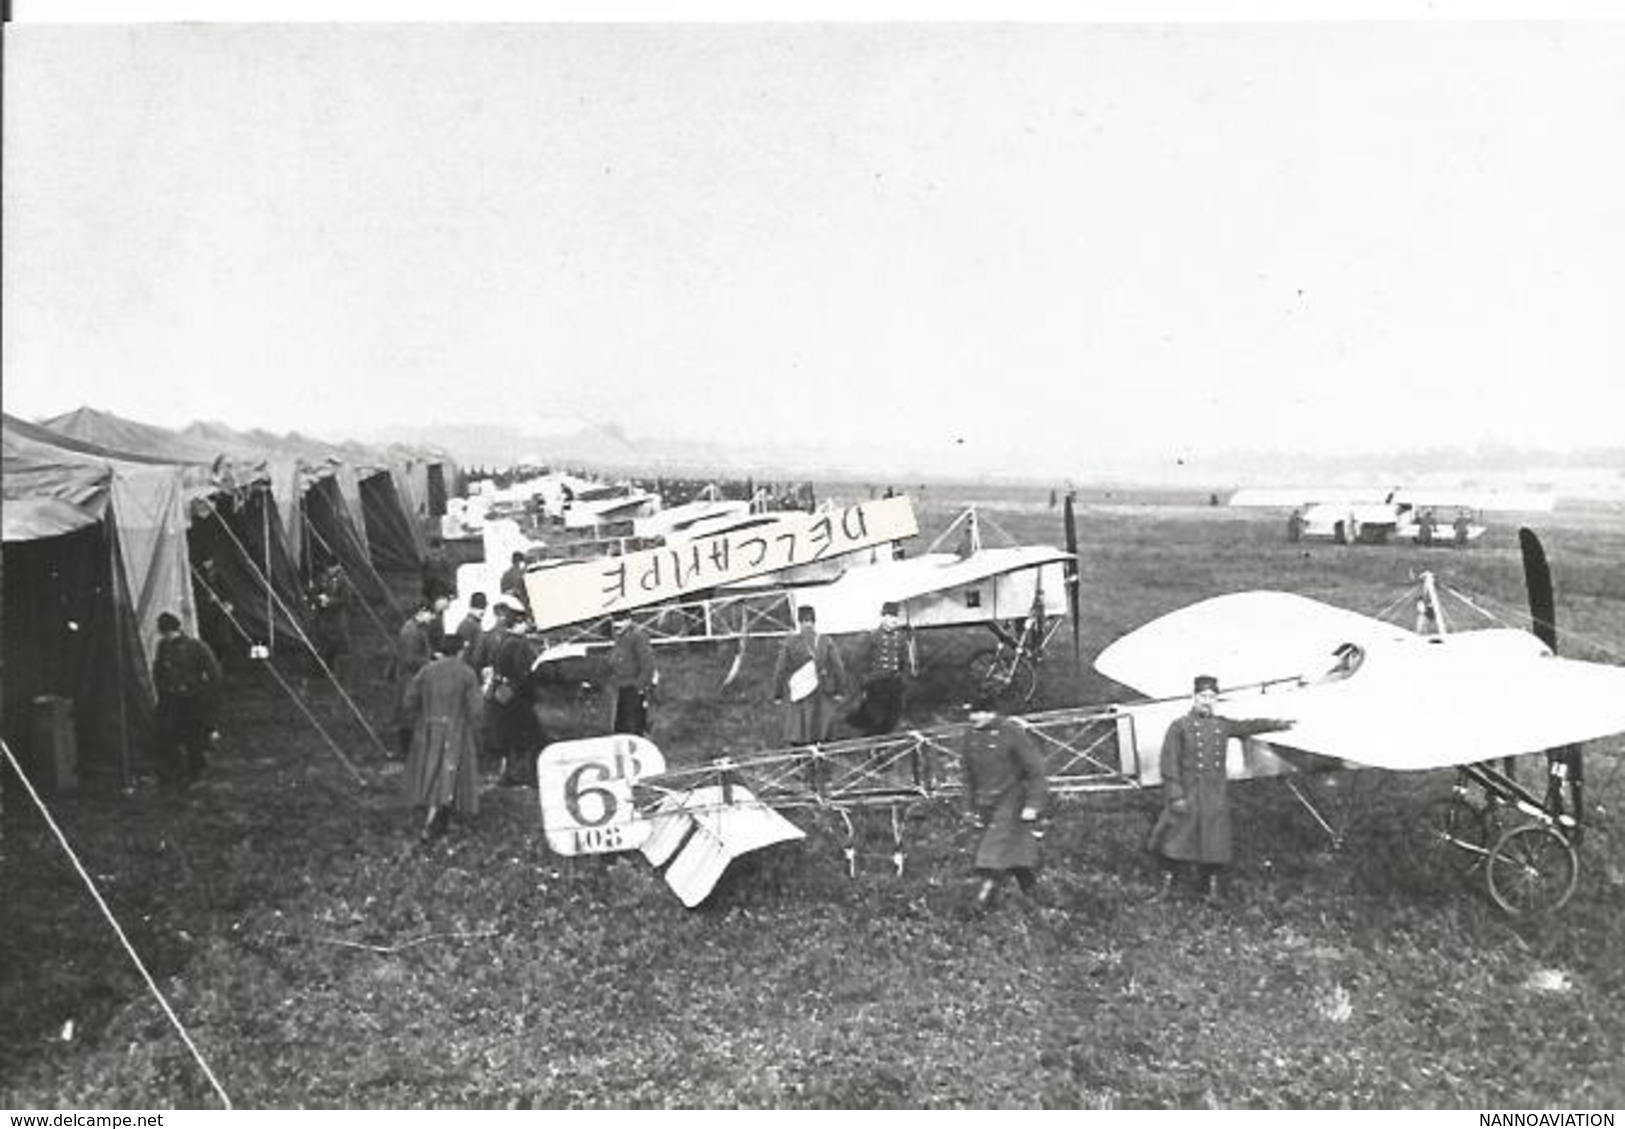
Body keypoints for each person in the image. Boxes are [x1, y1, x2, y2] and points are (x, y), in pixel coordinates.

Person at [1149, 675, 1294, 903]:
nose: (1207, 701)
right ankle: (1167, 888)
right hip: (1189, 790)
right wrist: (1176, 795)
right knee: (1175, 838)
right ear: (1194, 697)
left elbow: (1248, 725)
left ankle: (1211, 891)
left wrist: (1276, 723)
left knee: (1214, 840)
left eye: (1212, 697)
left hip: (1214, 792)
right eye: (1203, 696)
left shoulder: (1221, 725)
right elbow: (1169, 763)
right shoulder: (1179, 727)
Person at [961, 696, 1049, 910]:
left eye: (980, 712)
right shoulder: (970, 736)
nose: (974, 717)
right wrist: (968, 808)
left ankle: (979, 907)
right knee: (1014, 853)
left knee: (992, 854)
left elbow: (1036, 770)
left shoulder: (1011, 733)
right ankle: (1035, 897)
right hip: (985, 803)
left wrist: (1033, 805)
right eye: (972, 713)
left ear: (992, 712)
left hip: (1011, 801)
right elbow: (968, 777)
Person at [402, 632, 483, 842]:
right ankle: (437, 823)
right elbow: (476, 709)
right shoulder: (466, 673)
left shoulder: (426, 671)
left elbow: (409, 700)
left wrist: (421, 717)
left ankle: (434, 817)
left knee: (430, 772)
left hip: (428, 728)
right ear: (461, 650)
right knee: (452, 774)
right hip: (456, 729)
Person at [151, 611, 224, 789]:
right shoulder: (163, 647)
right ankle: (172, 773)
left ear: (177, 630)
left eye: (169, 633)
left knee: (194, 738)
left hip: (193, 700)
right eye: (165, 633)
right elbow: (158, 670)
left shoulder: (196, 647)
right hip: (171, 699)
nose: (167, 637)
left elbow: (214, 673)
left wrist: (202, 693)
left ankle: (196, 772)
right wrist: (163, 689)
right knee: (168, 736)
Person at [771, 606, 847, 745]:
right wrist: (839, 691)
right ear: (814, 620)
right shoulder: (826, 640)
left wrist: (778, 694)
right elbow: (839, 667)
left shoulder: (790, 642)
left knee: (799, 727)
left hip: (800, 690)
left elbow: (780, 670)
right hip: (821, 690)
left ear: (799, 621)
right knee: (821, 727)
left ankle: (801, 758)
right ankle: (820, 758)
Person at [487, 596, 543, 785]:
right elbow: (523, 673)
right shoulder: (519, 645)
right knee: (534, 738)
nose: (527, 626)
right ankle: (530, 777)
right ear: (518, 623)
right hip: (518, 696)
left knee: (510, 738)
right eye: (525, 622)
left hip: (503, 694)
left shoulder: (502, 640)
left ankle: (509, 775)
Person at [844, 602, 914, 737]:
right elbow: (858, 661)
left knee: (893, 716)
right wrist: (865, 680)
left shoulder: (899, 637)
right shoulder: (873, 637)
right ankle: (872, 739)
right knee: (875, 715)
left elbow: (903, 660)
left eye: (895, 617)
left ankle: (882, 737)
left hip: (894, 681)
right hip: (877, 682)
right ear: (883, 618)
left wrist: (903, 677)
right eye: (889, 616)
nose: (893, 620)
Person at [390, 602, 436, 757]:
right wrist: (430, 662)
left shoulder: (416, 629)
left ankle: (409, 750)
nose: (432, 618)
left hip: (413, 676)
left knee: (410, 714)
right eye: (431, 614)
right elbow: (410, 659)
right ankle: (407, 751)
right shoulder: (411, 631)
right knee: (409, 714)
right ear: (421, 612)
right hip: (410, 677)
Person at [606, 611, 658, 736]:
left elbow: (648, 665)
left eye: (621, 621)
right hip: (622, 687)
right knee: (621, 727)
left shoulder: (638, 637)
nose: (617, 626)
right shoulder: (621, 637)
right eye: (615, 622)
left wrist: (640, 686)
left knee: (633, 726)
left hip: (634, 687)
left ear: (629, 620)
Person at [308, 562, 351, 676]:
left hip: (335, 618)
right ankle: (318, 668)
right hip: (321, 618)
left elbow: (345, 600)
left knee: (332, 644)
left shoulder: (342, 580)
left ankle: (330, 668)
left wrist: (330, 602)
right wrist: (317, 599)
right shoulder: (319, 579)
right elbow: (312, 593)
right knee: (319, 643)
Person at [456, 592, 489, 667]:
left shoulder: (475, 624)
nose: (482, 611)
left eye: (483, 608)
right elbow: (463, 654)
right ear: (471, 608)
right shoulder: (467, 625)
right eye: (478, 607)